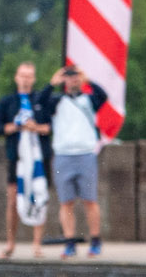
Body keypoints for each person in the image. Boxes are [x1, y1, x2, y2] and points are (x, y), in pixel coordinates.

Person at [45, 65, 106, 258]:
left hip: (85, 154)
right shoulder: (57, 101)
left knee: (90, 200)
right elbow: (39, 102)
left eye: (75, 77)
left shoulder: (89, 100)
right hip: (63, 155)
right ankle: (69, 241)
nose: (73, 80)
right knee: (66, 202)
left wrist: (88, 80)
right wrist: (51, 84)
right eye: (69, 77)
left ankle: (95, 239)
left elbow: (103, 96)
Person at [0, 61, 53, 259]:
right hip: (18, 157)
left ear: (34, 78)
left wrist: (34, 128)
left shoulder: (41, 100)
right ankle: (11, 243)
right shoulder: (7, 102)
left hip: (39, 156)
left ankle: (37, 244)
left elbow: (49, 127)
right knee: (13, 200)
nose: (25, 79)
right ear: (16, 77)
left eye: (29, 76)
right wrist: (16, 126)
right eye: (22, 75)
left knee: (40, 197)